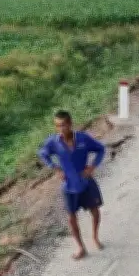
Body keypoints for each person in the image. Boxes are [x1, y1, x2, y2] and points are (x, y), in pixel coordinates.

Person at [38, 110, 106, 260]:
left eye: (64, 125)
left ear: (70, 124)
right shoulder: (53, 142)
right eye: (58, 126)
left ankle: (95, 237)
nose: (62, 129)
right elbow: (42, 153)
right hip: (69, 186)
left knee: (95, 210)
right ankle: (81, 247)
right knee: (71, 218)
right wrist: (55, 168)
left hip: (86, 183)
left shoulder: (82, 138)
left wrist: (92, 166)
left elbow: (101, 149)